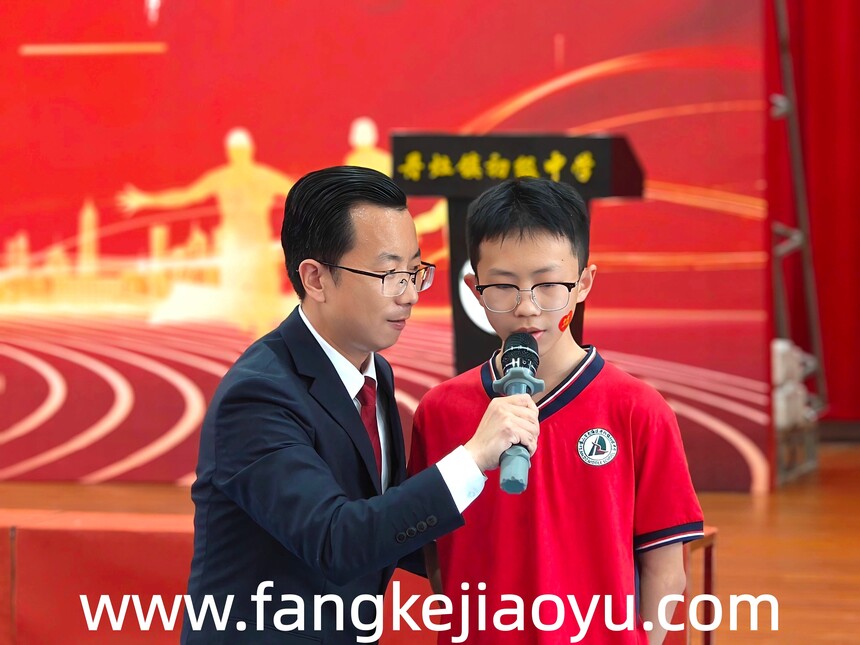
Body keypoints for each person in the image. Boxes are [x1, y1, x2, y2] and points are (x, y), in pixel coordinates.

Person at [181, 166, 540, 644]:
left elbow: (387, 523)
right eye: (389, 274)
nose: (409, 295)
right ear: (316, 278)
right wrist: (473, 457)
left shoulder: (373, 374)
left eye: (414, 272)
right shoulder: (258, 396)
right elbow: (337, 541)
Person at [409, 178, 704, 645]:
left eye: (548, 285)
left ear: (583, 283)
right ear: (475, 290)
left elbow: (665, 573)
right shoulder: (440, 411)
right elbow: (438, 562)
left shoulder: (638, 410)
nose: (527, 308)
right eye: (503, 286)